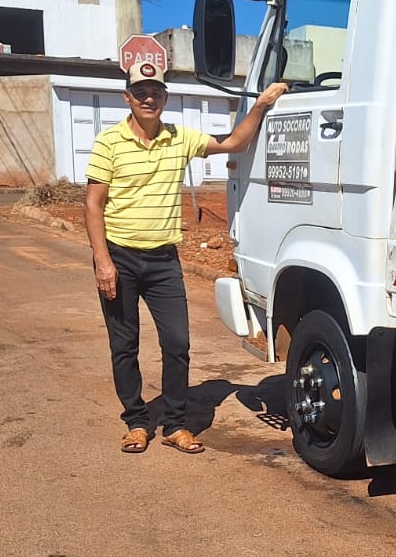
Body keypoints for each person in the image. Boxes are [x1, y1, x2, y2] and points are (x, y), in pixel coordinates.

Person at [84, 60, 288, 455]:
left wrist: (260, 106)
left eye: (155, 92)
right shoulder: (108, 142)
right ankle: (137, 422)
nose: (148, 98)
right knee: (124, 345)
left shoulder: (179, 138)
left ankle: (175, 424)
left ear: (164, 98)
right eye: (140, 92)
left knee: (176, 343)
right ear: (127, 98)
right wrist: (102, 261)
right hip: (120, 258)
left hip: (163, 262)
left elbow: (232, 144)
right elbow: (93, 205)